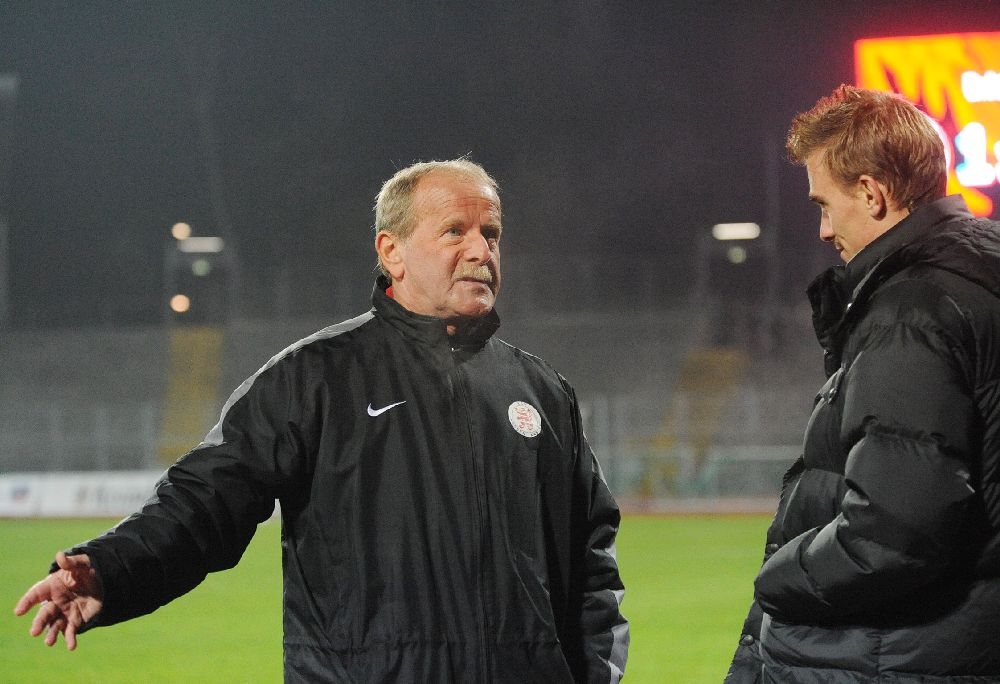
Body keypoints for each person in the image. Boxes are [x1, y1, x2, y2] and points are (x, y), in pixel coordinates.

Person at [14, 158, 629, 683]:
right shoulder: (315, 378)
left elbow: (592, 568)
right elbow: (203, 502)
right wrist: (110, 570)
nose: (480, 251)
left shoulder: (543, 394)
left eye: (491, 234)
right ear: (391, 252)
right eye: (454, 232)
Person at [726, 85, 1000, 682]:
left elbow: (895, 534)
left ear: (872, 194)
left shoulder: (911, 309)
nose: (824, 230)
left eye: (825, 205)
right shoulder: (978, 275)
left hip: (903, 655)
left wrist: (778, 579)